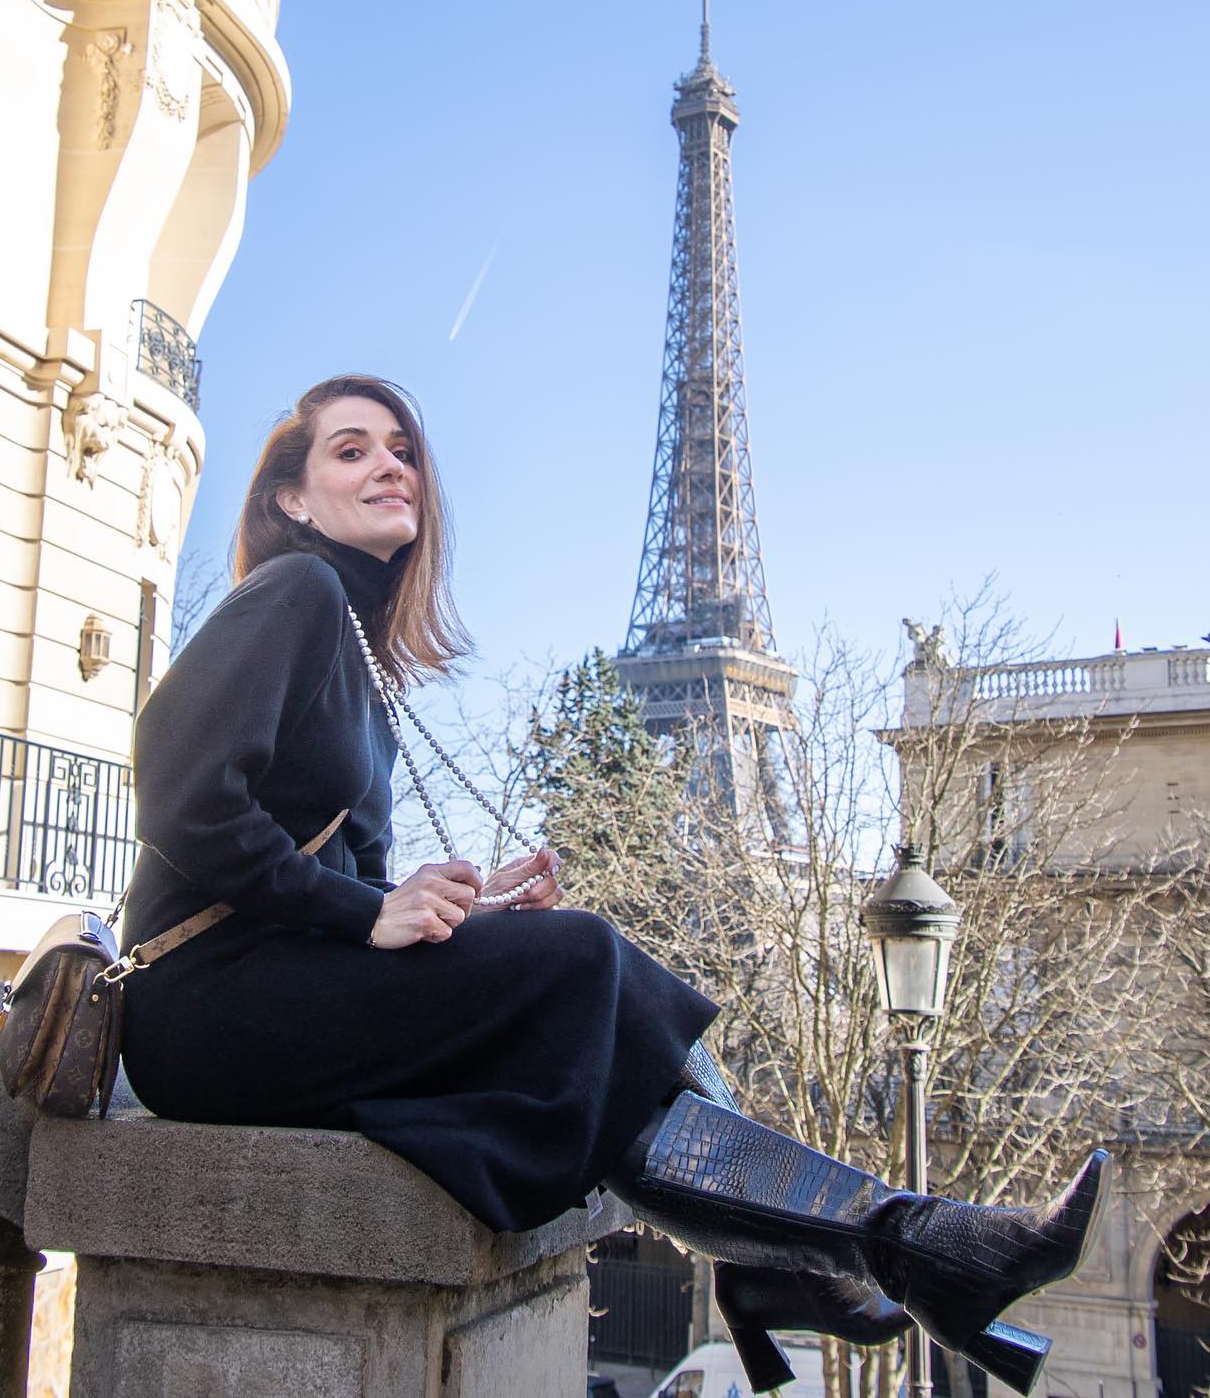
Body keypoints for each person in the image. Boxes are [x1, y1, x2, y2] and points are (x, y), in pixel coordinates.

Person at [119, 374, 1109, 1396]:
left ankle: (850, 1247)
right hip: (201, 1004)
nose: (390, 466)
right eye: (352, 449)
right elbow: (180, 793)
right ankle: (841, 1252)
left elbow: (340, 879)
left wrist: (466, 908)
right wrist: (371, 911)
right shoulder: (297, 592)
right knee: (584, 960)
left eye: (404, 450)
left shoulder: (364, 655)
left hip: (272, 995)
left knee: (580, 1023)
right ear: (291, 496)